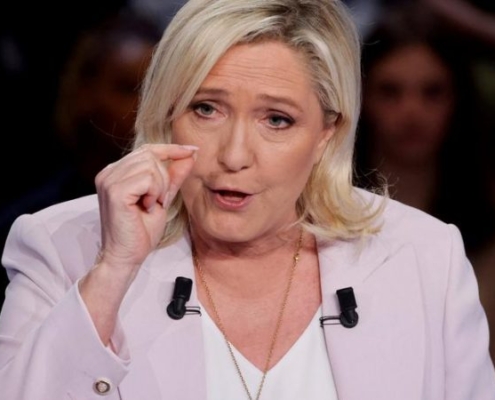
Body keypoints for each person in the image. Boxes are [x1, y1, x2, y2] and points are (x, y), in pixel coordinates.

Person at [0, 0, 494, 398]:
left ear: (326, 132)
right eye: (206, 109)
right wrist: (113, 270)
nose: (234, 155)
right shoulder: (62, 247)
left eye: (276, 119)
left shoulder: (425, 255)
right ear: (167, 112)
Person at [353, 3, 495, 363]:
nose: (412, 112)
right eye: (390, 91)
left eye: (432, 92)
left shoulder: (488, 235)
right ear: (361, 99)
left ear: (458, 99)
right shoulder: (322, 220)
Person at [0, 10, 162, 307]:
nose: (145, 107)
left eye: (156, 91)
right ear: (86, 93)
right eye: (130, 89)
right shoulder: (30, 223)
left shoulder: (184, 218)